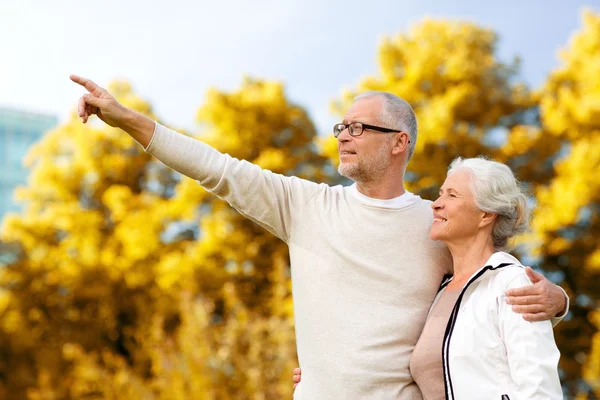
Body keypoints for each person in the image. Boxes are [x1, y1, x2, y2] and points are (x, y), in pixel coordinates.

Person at [71, 75, 568, 399]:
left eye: (358, 126)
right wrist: (128, 120)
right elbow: (216, 169)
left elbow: (492, 283)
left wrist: (559, 298)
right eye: (340, 126)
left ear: (400, 143)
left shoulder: (435, 223)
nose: (343, 135)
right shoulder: (305, 206)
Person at [411, 157, 562, 399]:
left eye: (452, 195)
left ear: (486, 215)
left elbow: (540, 389)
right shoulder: (439, 292)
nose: (436, 204)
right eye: (440, 194)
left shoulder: (511, 283)